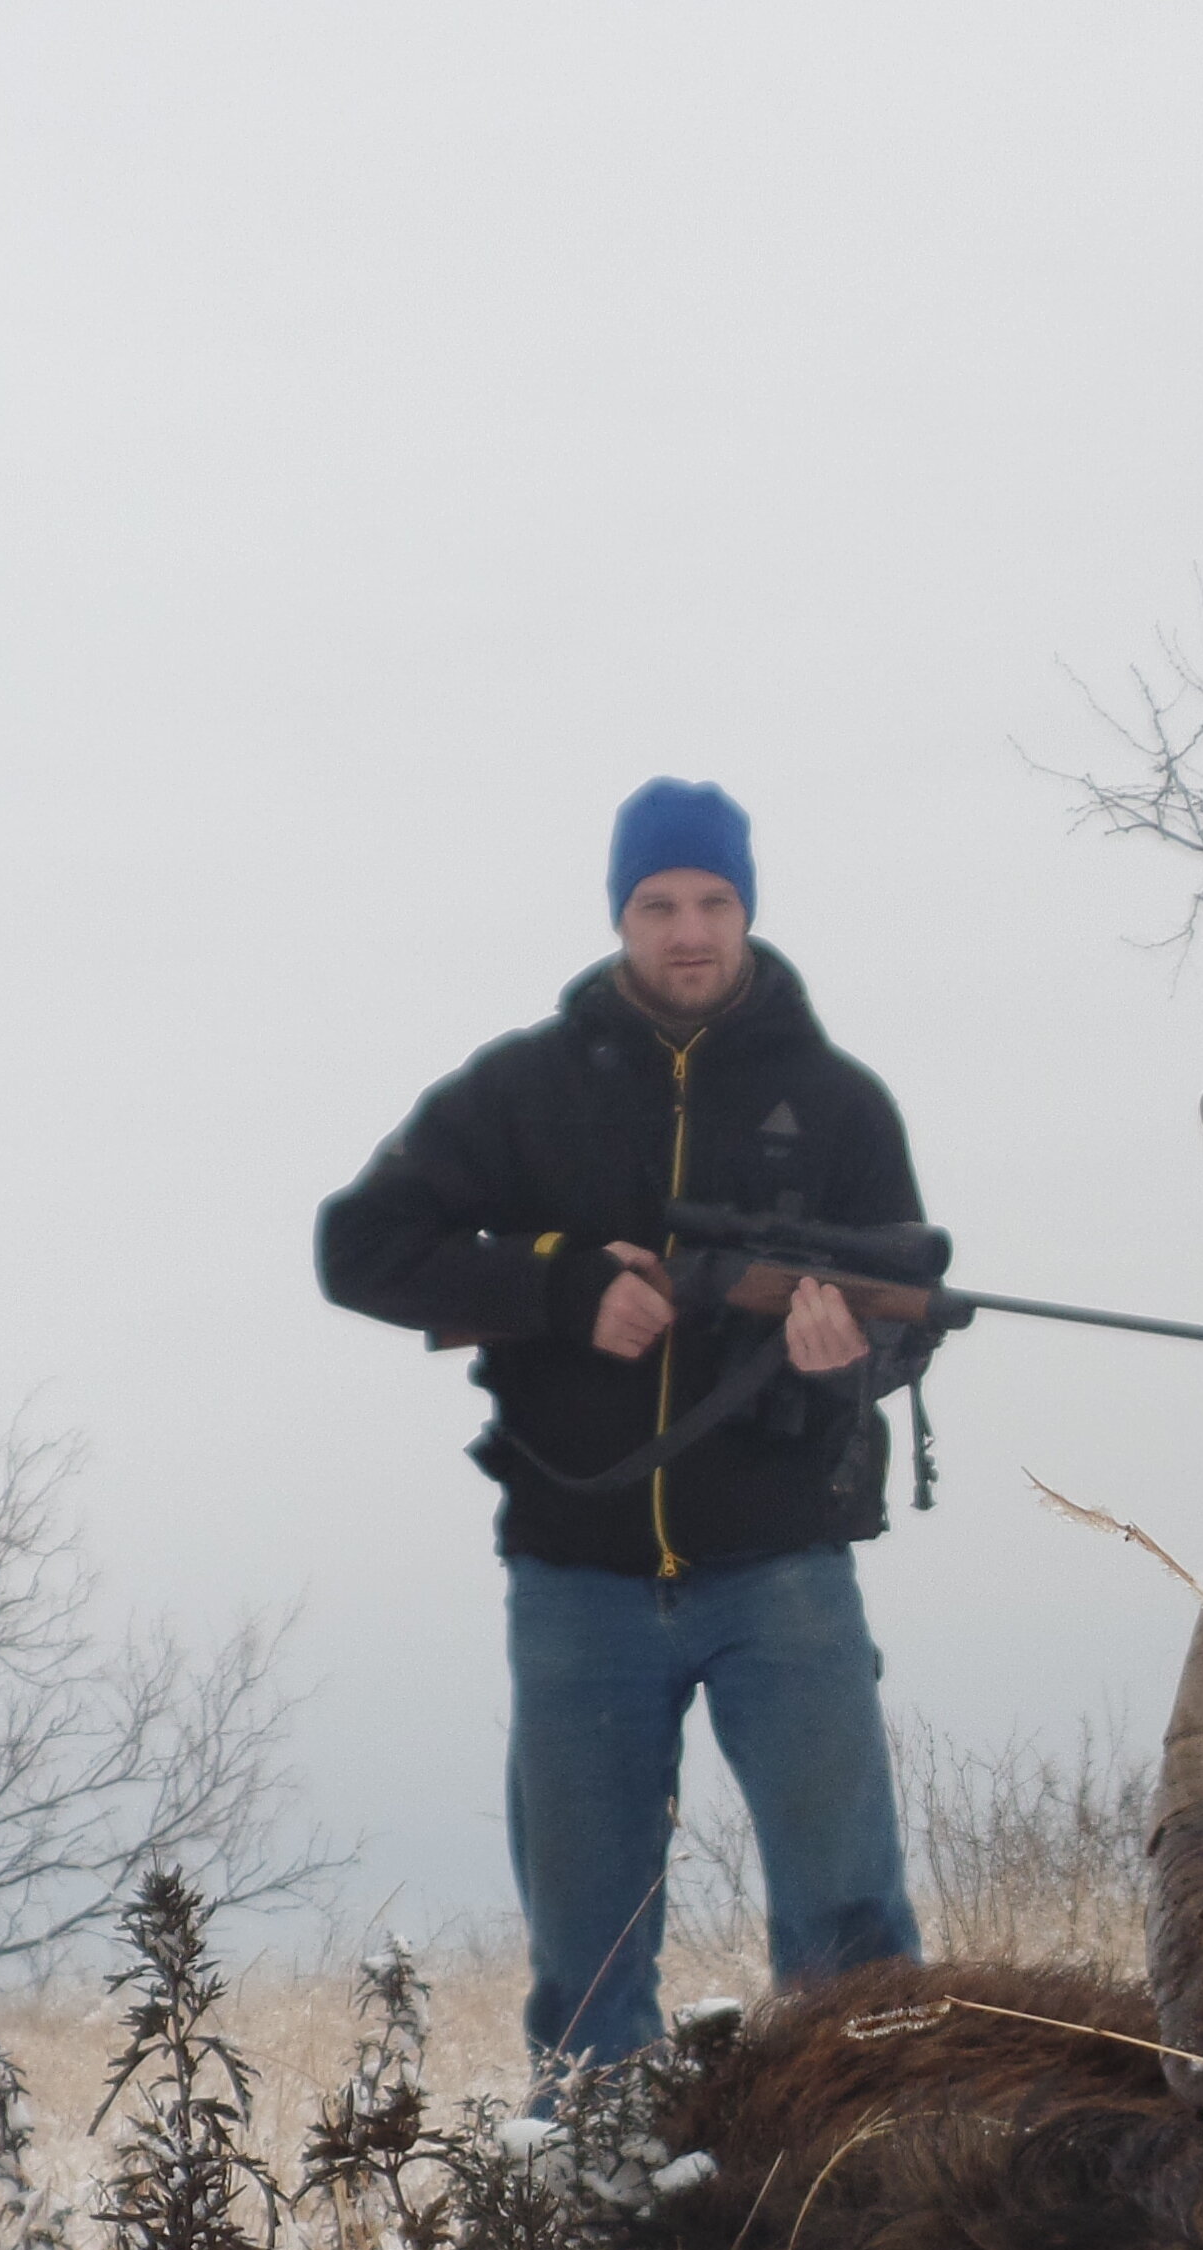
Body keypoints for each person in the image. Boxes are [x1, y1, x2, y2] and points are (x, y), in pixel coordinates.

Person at [317, 777, 927, 2077]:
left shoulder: (840, 1103)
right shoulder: (523, 1090)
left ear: (747, 910)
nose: (689, 929)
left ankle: (881, 2190)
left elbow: (905, 1315)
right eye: (659, 904)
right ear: (621, 916)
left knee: (851, 1935)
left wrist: (851, 1353)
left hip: (787, 1575)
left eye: (713, 901)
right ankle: (593, 2218)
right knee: (587, 1964)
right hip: (576, 1578)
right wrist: (556, 1287)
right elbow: (358, 1247)